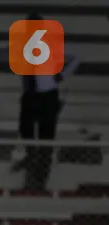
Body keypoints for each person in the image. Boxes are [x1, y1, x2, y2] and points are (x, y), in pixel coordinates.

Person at [13, 13, 80, 191]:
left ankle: (41, 178)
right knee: (24, 126)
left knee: (47, 136)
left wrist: (63, 75)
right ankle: (31, 153)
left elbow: (75, 58)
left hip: (48, 94)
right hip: (30, 94)